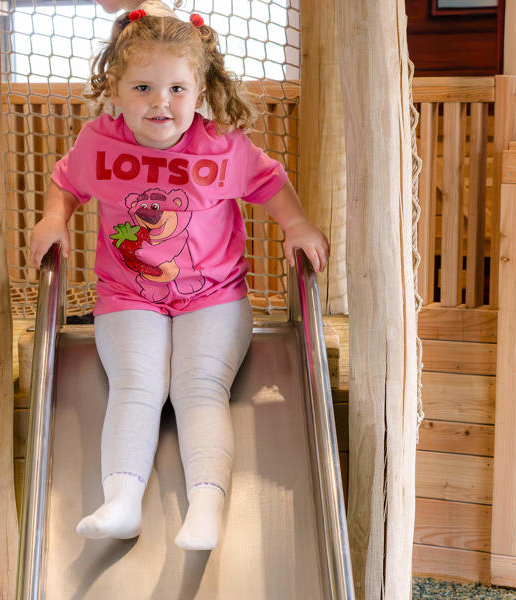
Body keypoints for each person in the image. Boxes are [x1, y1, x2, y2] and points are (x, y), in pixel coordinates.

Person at [28, 4, 329, 551]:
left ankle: (207, 506)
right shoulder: (101, 142)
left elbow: (269, 183)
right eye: (142, 87)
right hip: (128, 295)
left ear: (200, 90)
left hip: (213, 297)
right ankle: (122, 501)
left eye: (176, 89)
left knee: (198, 389)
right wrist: (54, 217)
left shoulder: (221, 147)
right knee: (137, 386)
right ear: (114, 90)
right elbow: (65, 182)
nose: (159, 103)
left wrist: (298, 224)